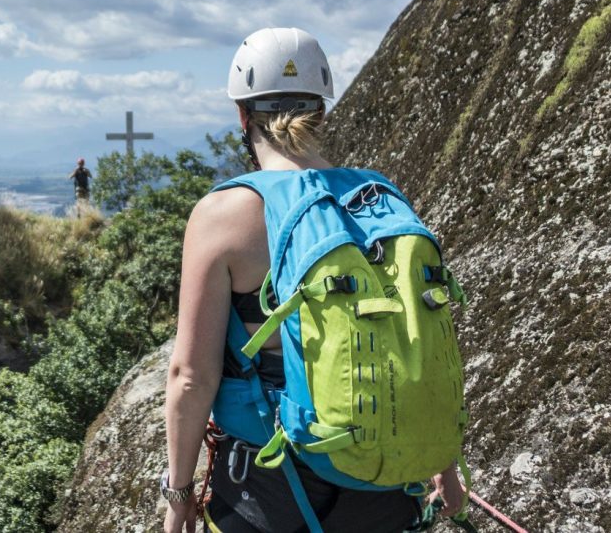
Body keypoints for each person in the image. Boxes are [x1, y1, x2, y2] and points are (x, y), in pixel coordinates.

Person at [163, 27, 465, 533]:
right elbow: (417, 336)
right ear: (320, 111)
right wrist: (441, 462)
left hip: (270, 487)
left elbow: (190, 377)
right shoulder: (379, 195)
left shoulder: (225, 215)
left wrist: (177, 500)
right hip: (386, 480)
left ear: (242, 115)